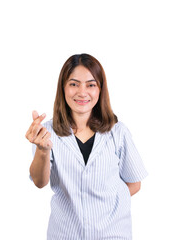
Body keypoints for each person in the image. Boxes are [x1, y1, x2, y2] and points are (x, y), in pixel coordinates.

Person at [25, 53, 148, 240]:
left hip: (112, 234)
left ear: (100, 89)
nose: (82, 92)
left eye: (91, 85)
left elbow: (134, 183)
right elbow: (39, 182)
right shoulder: (47, 132)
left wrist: (100, 206)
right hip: (65, 234)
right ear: (63, 88)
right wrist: (42, 150)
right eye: (74, 84)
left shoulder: (118, 132)